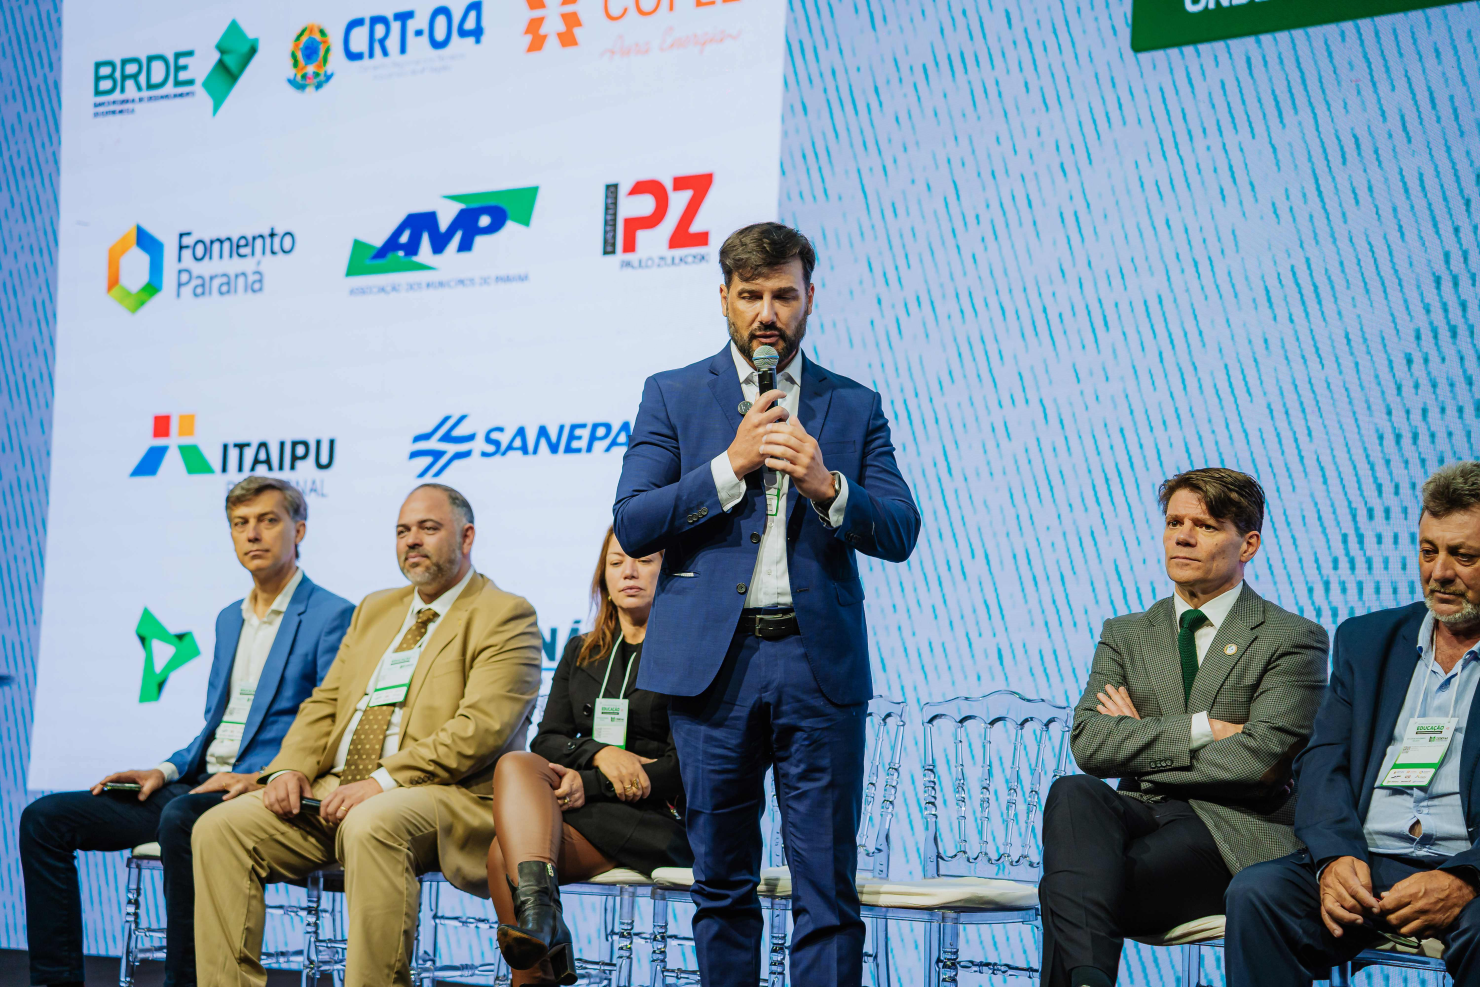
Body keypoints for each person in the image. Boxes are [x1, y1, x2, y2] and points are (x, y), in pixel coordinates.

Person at [612, 221, 920, 987]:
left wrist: (828, 485)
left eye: (784, 294)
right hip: (713, 669)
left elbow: (900, 529)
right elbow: (635, 521)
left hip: (818, 670)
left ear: (811, 297)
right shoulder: (674, 394)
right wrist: (730, 464)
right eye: (750, 295)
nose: (767, 314)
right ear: (723, 297)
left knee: (827, 890)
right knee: (721, 884)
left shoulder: (853, 405)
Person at [191, 483, 542, 987]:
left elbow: (480, 731)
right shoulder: (376, 608)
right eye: (402, 531)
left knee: (371, 823)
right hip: (339, 788)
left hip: (445, 794)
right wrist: (289, 768)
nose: (412, 540)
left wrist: (381, 781)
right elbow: (325, 703)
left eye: (428, 528)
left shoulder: (505, 614)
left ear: (466, 537)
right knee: (219, 829)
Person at [19, 476, 353, 987]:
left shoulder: (333, 615)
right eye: (240, 523)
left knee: (182, 819)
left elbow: (332, 725)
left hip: (257, 792)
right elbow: (217, 727)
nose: (253, 534)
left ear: (299, 530)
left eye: (268, 520)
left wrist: (262, 777)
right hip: (197, 783)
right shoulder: (228, 619)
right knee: (45, 820)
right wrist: (165, 769)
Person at [1041, 467, 1328, 987]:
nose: (1183, 537)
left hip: (1230, 830)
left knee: (1073, 888)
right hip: (1142, 814)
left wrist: (1139, 739)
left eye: (1206, 526)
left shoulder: (1291, 637)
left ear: (1248, 545)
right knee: (1073, 792)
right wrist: (1203, 728)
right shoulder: (1126, 633)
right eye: (1175, 522)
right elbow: (1089, 744)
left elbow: (1261, 762)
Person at [1225, 461, 1480, 985]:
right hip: (1368, 859)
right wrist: (1334, 856)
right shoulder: (1367, 640)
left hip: (1466, 863)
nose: (1439, 573)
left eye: (1464, 556)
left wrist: (1468, 879)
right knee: (1257, 894)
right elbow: (1323, 761)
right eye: (1428, 551)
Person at [488, 527, 692, 986]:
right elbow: (547, 741)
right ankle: (544, 925)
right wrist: (599, 754)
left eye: (644, 561)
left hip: (658, 816)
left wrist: (589, 783)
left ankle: (537, 965)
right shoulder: (580, 650)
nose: (629, 572)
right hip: (591, 808)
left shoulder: (688, 652)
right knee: (516, 764)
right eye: (616, 562)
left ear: (670, 570)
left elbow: (684, 767)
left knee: (502, 854)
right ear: (603, 576)